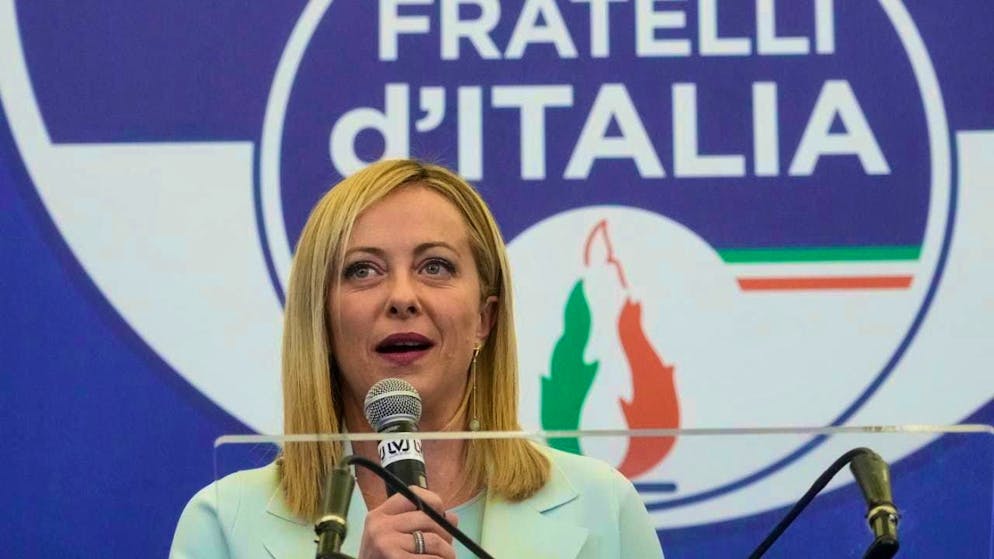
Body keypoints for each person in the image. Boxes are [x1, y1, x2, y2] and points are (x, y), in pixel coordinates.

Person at [170, 159, 664, 559]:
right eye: (363, 270)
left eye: (435, 266)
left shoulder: (604, 508)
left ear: (484, 320)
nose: (402, 297)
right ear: (319, 320)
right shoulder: (224, 524)